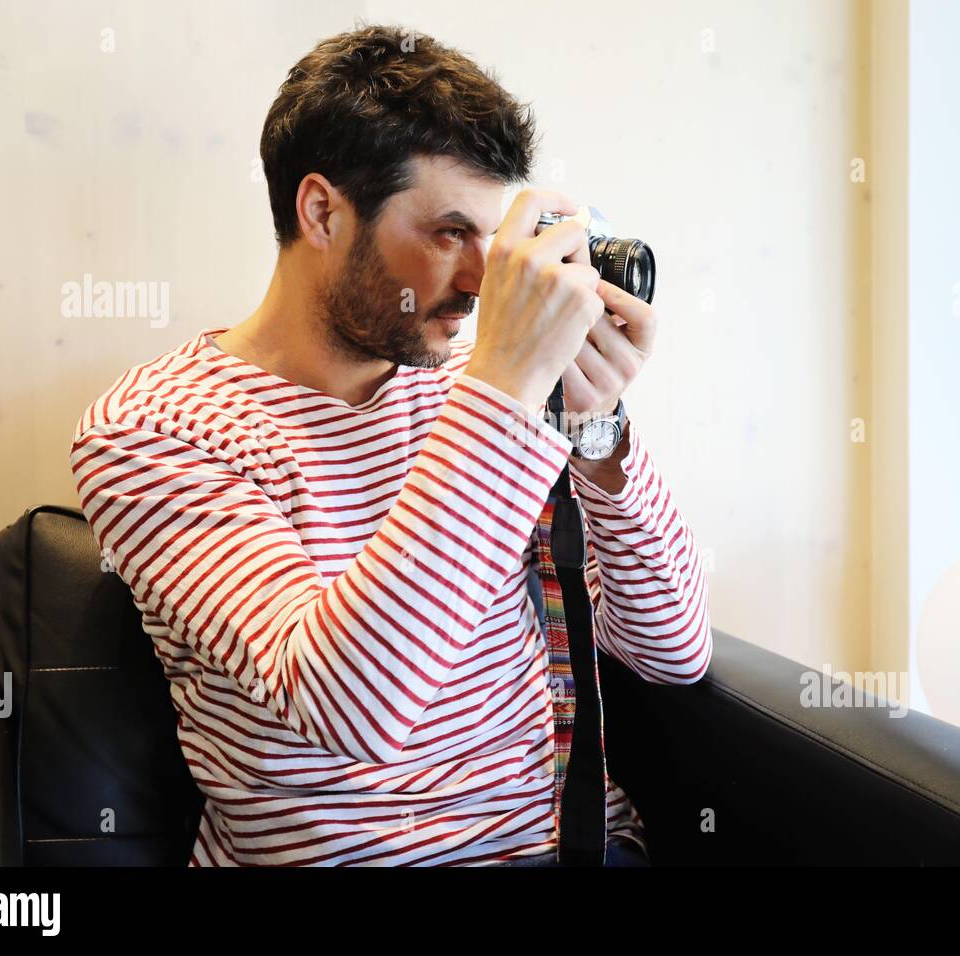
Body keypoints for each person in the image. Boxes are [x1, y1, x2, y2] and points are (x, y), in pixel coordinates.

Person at [69, 23, 711, 866]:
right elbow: (354, 709)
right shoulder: (156, 429)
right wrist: (507, 391)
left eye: (494, 237)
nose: (485, 280)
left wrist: (596, 434)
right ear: (323, 213)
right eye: (450, 232)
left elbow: (673, 653)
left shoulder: (477, 387)